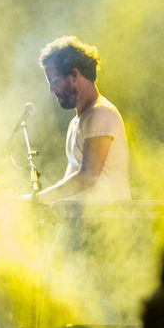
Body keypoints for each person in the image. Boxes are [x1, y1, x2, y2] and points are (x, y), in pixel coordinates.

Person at [34, 36, 131, 203]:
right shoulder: (76, 122)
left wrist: (37, 200)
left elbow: (88, 177)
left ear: (73, 75)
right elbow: (71, 182)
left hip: (109, 221)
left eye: (54, 80)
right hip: (88, 222)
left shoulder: (101, 113)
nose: (51, 89)